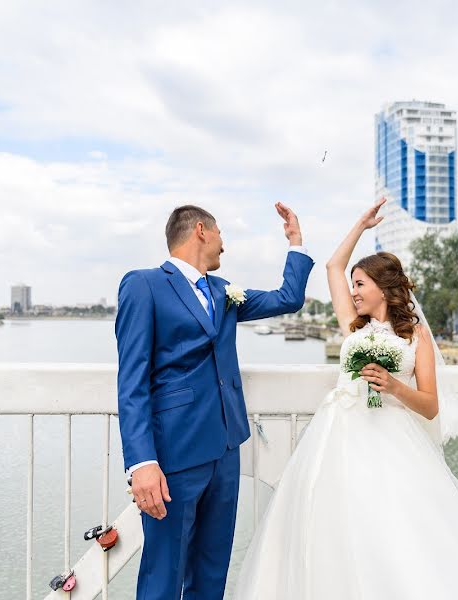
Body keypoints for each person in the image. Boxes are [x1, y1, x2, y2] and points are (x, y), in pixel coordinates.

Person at [234, 198, 458, 599]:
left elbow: (431, 404)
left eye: (361, 285)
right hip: (337, 436)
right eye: (355, 284)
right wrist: (359, 226)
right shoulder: (353, 325)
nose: (354, 292)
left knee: (392, 533)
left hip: (391, 439)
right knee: (328, 527)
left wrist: (394, 387)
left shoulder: (415, 336)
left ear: (384, 287)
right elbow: (332, 267)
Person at [115, 203, 314, 600]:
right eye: (221, 233)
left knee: (211, 571)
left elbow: (289, 299)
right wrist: (141, 463)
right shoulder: (144, 284)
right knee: (163, 575)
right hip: (173, 454)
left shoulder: (225, 293)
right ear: (201, 230)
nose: (225, 244)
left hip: (226, 449)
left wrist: (295, 242)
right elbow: (132, 380)